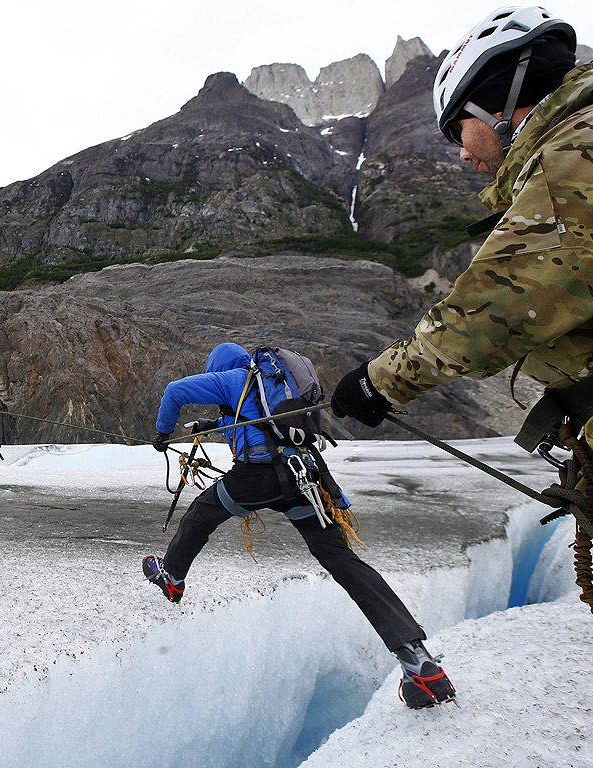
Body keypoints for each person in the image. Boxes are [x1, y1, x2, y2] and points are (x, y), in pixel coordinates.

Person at [331, 8, 591, 450]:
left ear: (498, 103)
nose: (463, 156)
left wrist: (377, 383)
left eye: (458, 129)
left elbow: (495, 311)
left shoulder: (572, 159)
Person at [145, 343, 455, 709]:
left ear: (219, 367)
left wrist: (163, 432)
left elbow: (175, 392)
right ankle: (415, 657)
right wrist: (210, 425)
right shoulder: (268, 387)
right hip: (303, 479)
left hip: (257, 478)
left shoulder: (231, 379)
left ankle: (172, 577)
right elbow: (259, 424)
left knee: (200, 515)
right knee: (343, 562)